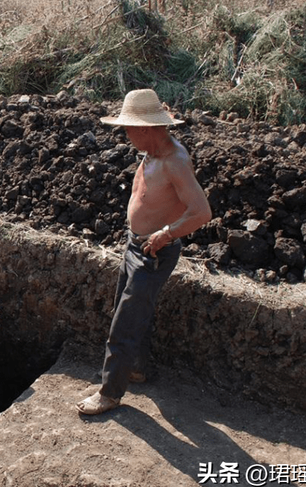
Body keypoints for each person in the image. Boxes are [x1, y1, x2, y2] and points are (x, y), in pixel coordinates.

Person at [77, 89, 212, 415]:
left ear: (147, 128)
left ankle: (110, 393)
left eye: (128, 129)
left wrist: (165, 234)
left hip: (153, 252)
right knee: (131, 312)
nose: (125, 135)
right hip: (135, 244)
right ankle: (135, 368)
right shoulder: (151, 154)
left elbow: (201, 212)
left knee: (124, 324)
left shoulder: (174, 162)